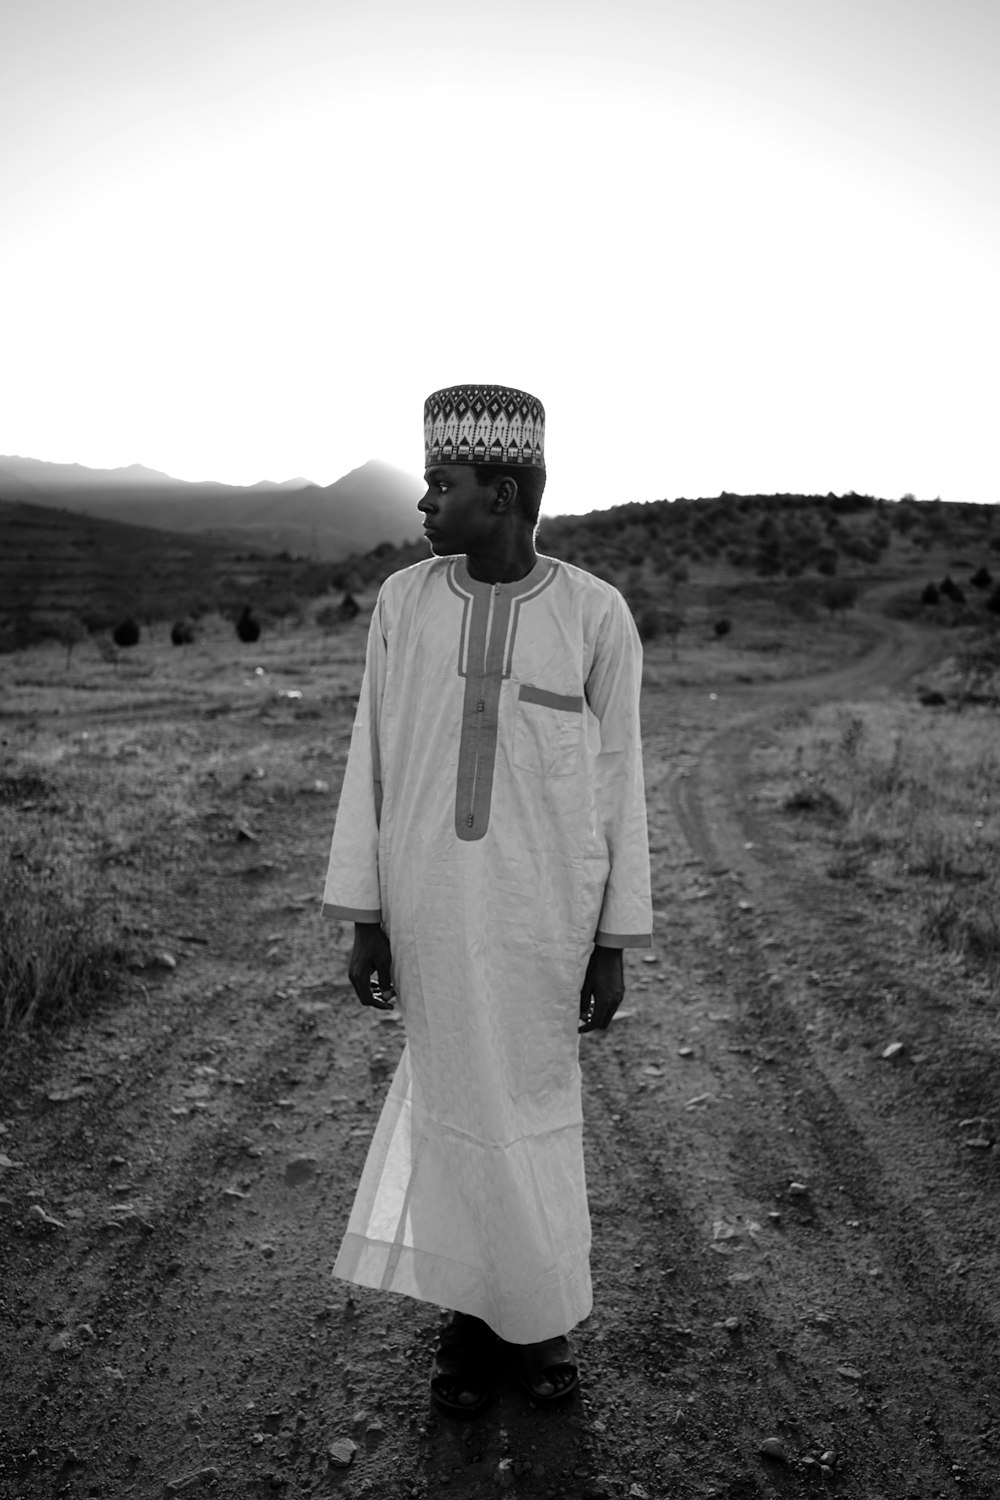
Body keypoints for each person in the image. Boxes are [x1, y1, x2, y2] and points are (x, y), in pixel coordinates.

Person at [323, 383, 652, 1414]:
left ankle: (539, 1316)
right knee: (456, 1105)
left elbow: (620, 785)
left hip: (540, 918)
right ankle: (469, 1319)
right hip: (429, 907)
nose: (424, 502)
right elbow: (369, 761)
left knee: (534, 1106)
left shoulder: (594, 615)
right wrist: (366, 913)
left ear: (500, 492)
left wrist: (612, 939)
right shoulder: (405, 605)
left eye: (442, 482)